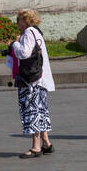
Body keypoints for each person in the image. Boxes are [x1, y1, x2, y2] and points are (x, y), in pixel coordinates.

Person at [12, 9, 55, 157]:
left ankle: (36, 146)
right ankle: (46, 142)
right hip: (41, 79)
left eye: (19, 19)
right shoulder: (37, 32)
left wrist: (15, 44)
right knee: (41, 111)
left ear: (26, 20)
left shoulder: (28, 33)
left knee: (33, 111)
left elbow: (24, 52)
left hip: (32, 81)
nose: (17, 22)